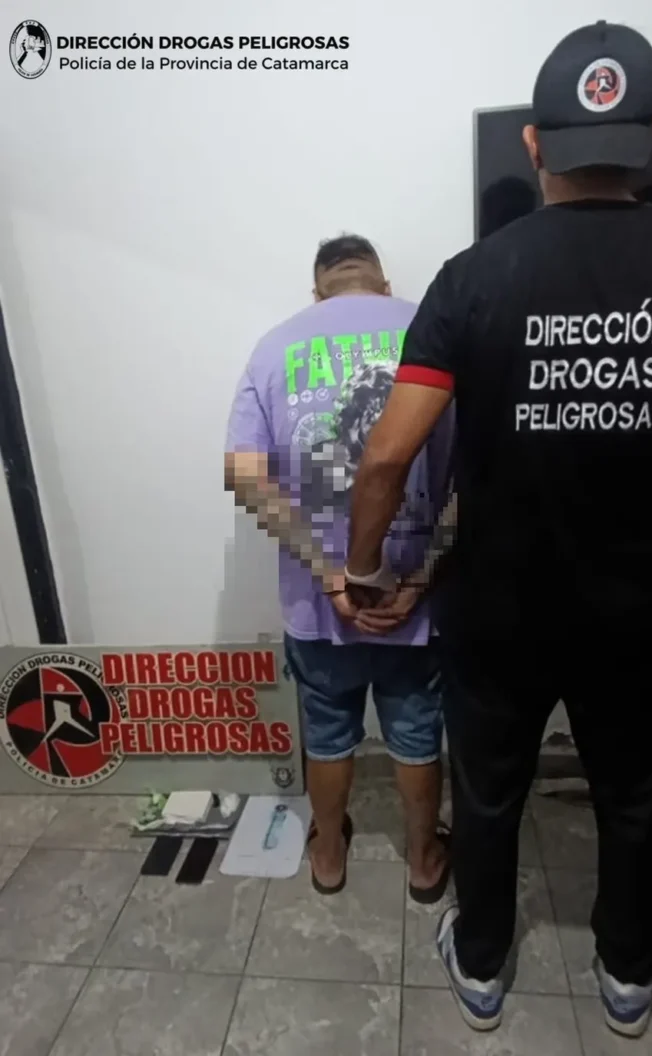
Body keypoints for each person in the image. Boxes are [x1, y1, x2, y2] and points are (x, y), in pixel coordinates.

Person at [344, 21, 652, 1038]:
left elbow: (388, 456)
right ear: (651, 134)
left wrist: (363, 571)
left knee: (489, 792)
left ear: (535, 143)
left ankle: (483, 966)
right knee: (636, 794)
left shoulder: (471, 278)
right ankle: (628, 977)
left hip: (501, 609)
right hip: (633, 610)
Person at [225, 234, 453, 901]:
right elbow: (480, 476)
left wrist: (328, 572)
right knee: (416, 732)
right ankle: (423, 860)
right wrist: (422, 576)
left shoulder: (274, 348)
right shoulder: (434, 330)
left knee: (327, 735)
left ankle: (327, 855)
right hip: (415, 601)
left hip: (321, 604)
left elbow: (245, 476)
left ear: (318, 291)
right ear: (382, 284)